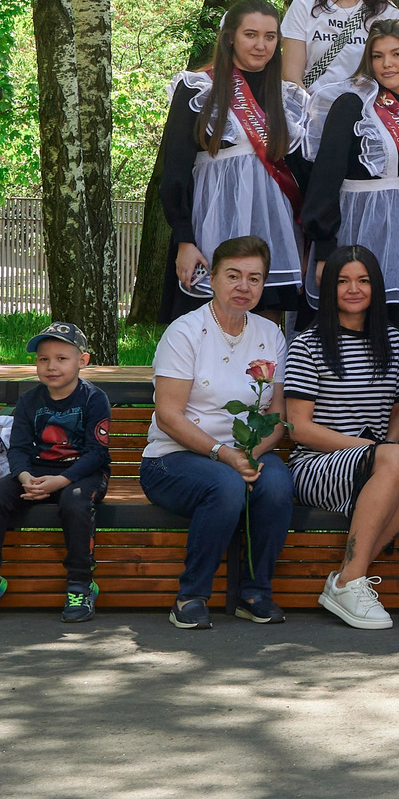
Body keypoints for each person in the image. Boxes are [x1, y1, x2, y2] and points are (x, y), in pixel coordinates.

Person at [141, 237, 295, 629]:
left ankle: (254, 592)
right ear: (212, 279)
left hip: (244, 454)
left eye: (254, 278)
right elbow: (169, 415)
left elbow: (276, 412)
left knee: (277, 482)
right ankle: (190, 596)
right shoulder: (186, 331)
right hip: (171, 460)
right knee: (226, 485)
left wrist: (251, 452)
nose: (244, 287)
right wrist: (226, 456)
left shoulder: (269, 333)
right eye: (234, 276)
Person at [285, 246, 399, 631]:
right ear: (329, 288)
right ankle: (349, 582)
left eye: (363, 281)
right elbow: (297, 426)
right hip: (313, 465)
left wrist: (387, 450)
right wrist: (374, 450)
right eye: (343, 281)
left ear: (376, 287)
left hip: (375, 463)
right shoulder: (308, 344)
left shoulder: (394, 343)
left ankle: (350, 575)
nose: (354, 289)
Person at [160, 0, 316, 321]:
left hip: (273, 233)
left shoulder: (289, 98)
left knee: (265, 333)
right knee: (204, 325)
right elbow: (174, 172)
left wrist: (310, 245)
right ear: (230, 37)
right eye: (251, 34)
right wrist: (184, 240)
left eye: (270, 36)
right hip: (210, 228)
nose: (261, 45)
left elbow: (306, 177)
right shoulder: (197, 88)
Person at [0, 322, 111, 625]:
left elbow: (97, 454)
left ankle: (81, 585)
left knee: (75, 503)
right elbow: (17, 448)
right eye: (43, 359)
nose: (51, 366)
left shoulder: (93, 399)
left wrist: (61, 481)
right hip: (36, 473)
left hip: (83, 473)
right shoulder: (30, 400)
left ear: (82, 361)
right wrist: (24, 478)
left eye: (61, 358)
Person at [298, 19, 399, 329]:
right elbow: (325, 178)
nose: (387, 64)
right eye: (377, 56)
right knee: (346, 321)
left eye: (397, 54)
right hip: (354, 228)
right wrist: (324, 250)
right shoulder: (352, 104)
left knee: (392, 329)